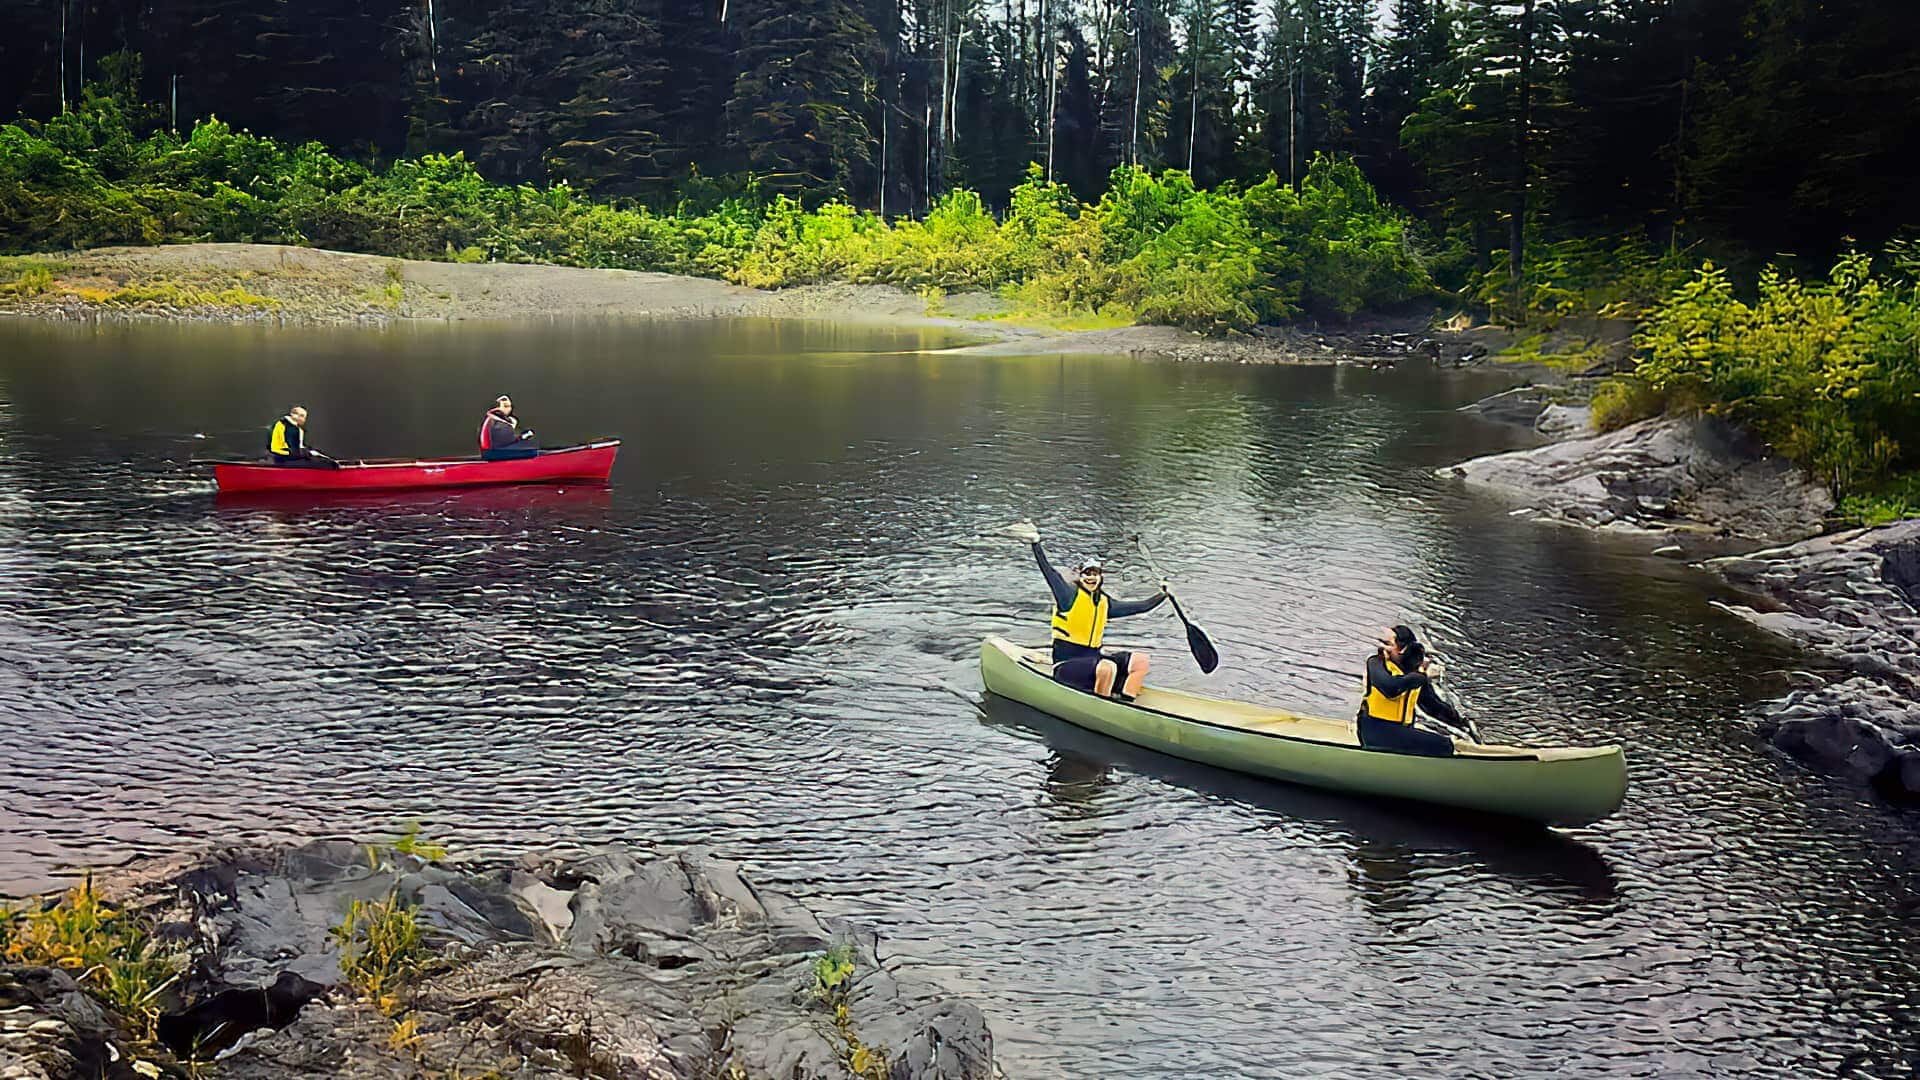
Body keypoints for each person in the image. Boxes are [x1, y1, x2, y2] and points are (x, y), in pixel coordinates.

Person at [1009, 521, 1168, 701]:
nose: (1091, 578)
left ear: (1101, 577)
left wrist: (1163, 595)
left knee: (1140, 661)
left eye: (1095, 574)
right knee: (1107, 667)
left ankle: (1127, 700)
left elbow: (1141, 607)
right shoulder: (1068, 596)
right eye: (1087, 574)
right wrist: (1036, 544)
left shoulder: (1104, 602)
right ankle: (1103, 707)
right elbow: (1049, 573)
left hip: (1094, 661)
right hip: (1066, 664)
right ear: (1081, 576)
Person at [1357, 625, 1468, 756]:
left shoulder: (1415, 673)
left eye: (1388, 644)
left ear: (1404, 649)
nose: (1383, 648)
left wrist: (1461, 722)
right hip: (1375, 730)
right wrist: (1423, 676)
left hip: (1399, 732)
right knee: (1444, 745)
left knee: (1442, 743)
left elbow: (1431, 706)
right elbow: (1390, 688)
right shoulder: (1376, 663)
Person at [266, 405, 334, 467]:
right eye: (301, 416)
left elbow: (298, 448)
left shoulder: (296, 428)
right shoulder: (286, 426)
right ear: (292, 414)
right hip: (283, 458)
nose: (303, 419)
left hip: (287, 456)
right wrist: (307, 453)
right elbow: (290, 449)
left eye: (303, 416)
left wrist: (308, 452)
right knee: (321, 463)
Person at [479, 395, 538, 461]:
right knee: (531, 451)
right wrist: (521, 437)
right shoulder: (494, 421)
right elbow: (504, 441)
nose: (509, 409)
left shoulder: (498, 420)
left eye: (509, 406)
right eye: (505, 406)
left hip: (494, 449)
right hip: (492, 452)